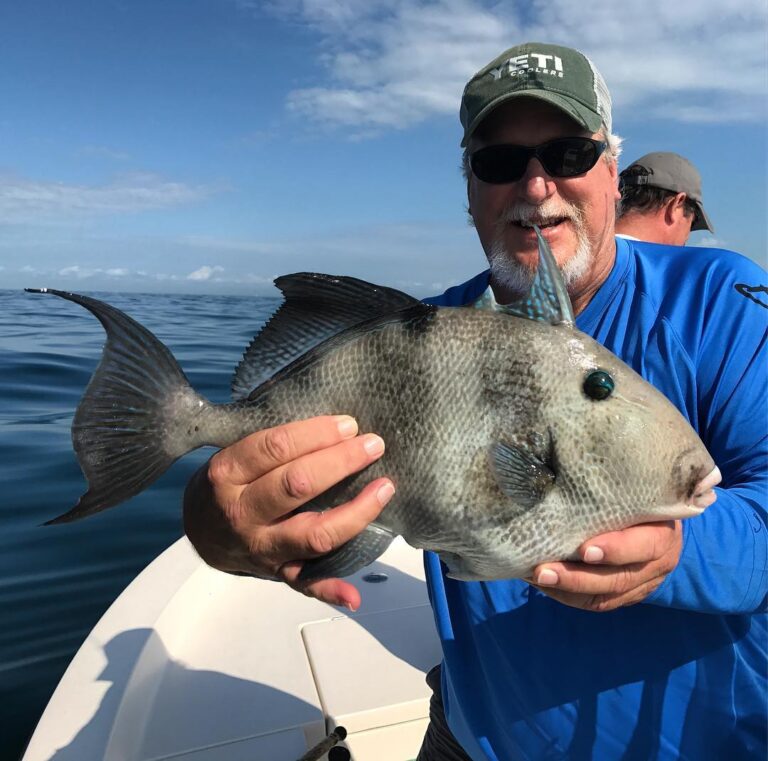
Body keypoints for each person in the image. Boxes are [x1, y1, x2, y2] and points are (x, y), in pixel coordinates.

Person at [183, 42, 767, 760]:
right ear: (470, 190)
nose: (537, 184)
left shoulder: (722, 305)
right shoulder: (423, 333)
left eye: (568, 153)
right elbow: (263, 513)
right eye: (499, 162)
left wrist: (677, 553)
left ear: (612, 174)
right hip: (468, 738)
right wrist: (221, 526)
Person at [615, 151, 714, 245]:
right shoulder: (681, 262)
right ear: (676, 205)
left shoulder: (602, 253)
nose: (685, 242)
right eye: (693, 223)